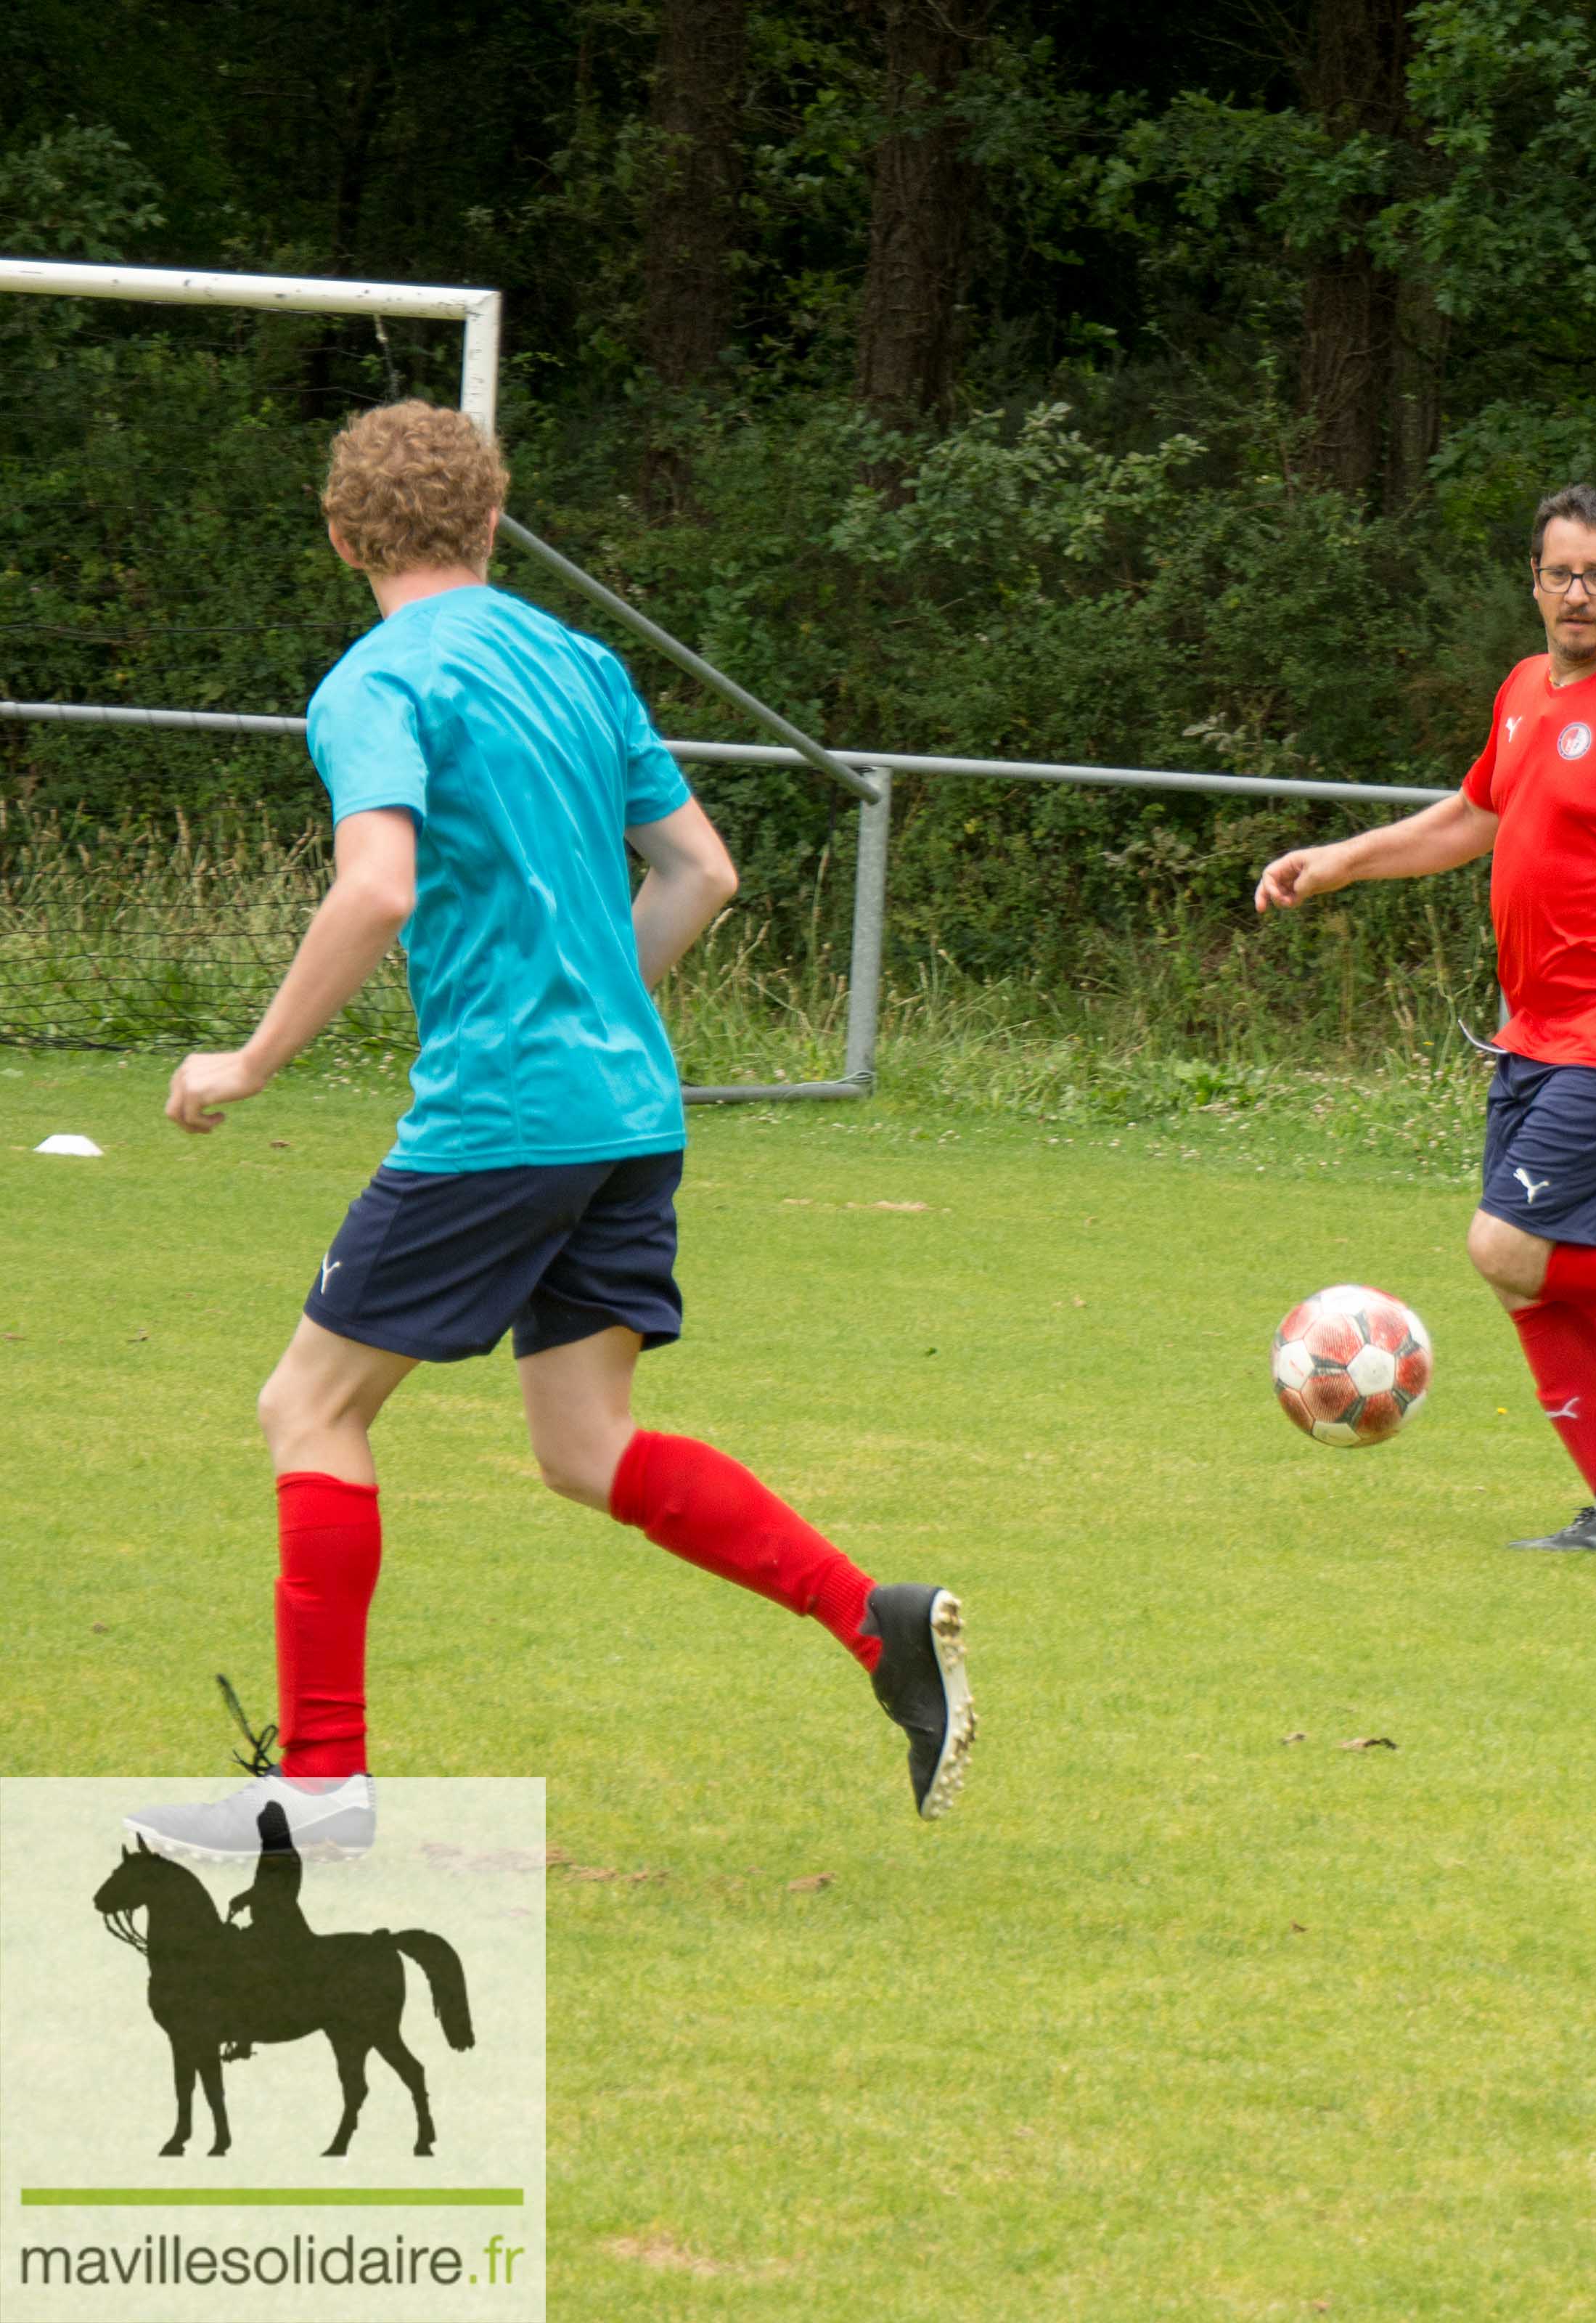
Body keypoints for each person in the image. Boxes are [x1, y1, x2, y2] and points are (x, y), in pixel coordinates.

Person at [125, 401, 970, 1866]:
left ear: (343, 537)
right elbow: (702, 872)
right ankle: (873, 1619)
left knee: (309, 1408)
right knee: (586, 1446)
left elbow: (378, 886)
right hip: (629, 1112)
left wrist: (252, 1058)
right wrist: (592, 1005)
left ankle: (320, 1788)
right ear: (494, 522)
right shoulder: (580, 663)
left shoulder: (374, 682)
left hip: (505, 1114)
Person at [1256, 483, 1596, 1554]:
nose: (1577, 594)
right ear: (1534, 579)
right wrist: (1340, 862)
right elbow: (1475, 814)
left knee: (1508, 1247)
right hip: (1535, 1035)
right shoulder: (1525, 689)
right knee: (1532, 1282)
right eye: (1560, 573)